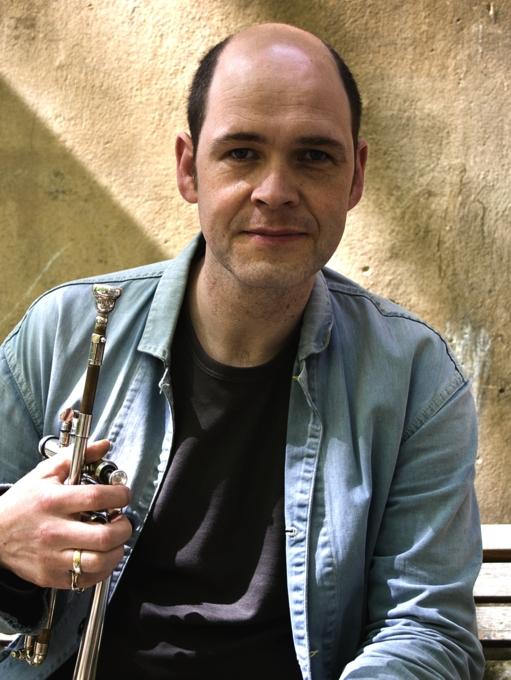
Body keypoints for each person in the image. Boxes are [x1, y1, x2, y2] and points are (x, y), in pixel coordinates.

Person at [0, 22, 484, 680]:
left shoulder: (416, 380)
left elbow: (426, 627)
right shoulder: (61, 332)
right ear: (188, 168)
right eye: (242, 153)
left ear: (356, 177)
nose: (275, 190)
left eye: (314, 156)